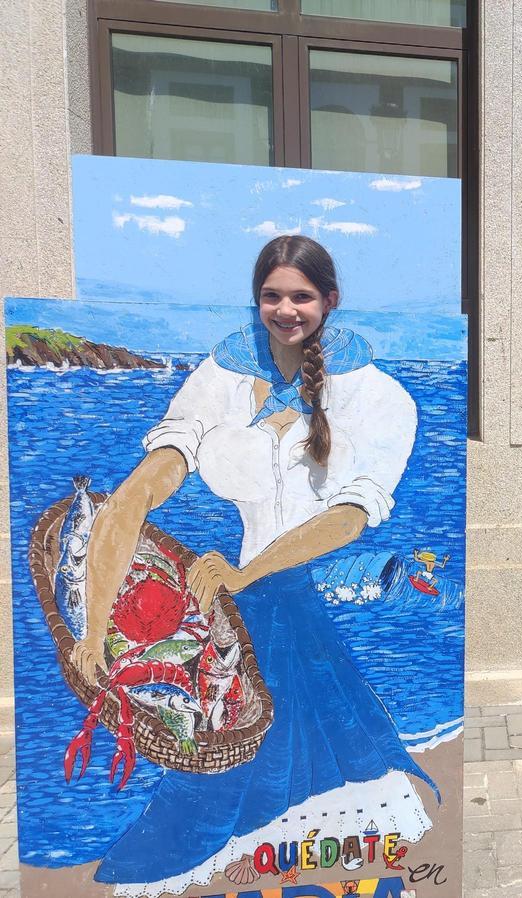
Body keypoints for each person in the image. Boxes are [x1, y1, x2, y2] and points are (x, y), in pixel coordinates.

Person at [70, 235, 436, 893]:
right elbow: (133, 500)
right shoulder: (220, 379)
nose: (286, 308)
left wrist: (245, 573)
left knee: (291, 780)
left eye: (300, 295)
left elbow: (349, 518)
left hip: (284, 606)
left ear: (329, 300)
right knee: (227, 774)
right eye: (272, 295)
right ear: (256, 300)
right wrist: (93, 632)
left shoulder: (380, 398)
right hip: (232, 613)